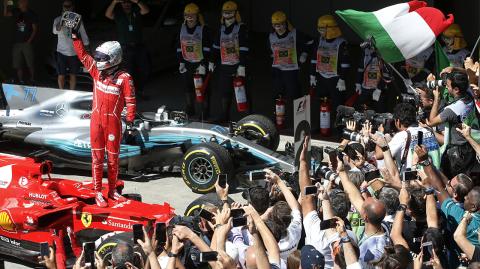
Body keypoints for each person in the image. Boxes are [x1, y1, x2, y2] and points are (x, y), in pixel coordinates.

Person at [72, 27, 136, 207]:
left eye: (101, 58)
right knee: (97, 159)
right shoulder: (96, 72)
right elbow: (83, 54)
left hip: (114, 123)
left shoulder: (124, 78)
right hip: (96, 123)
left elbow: (131, 101)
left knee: (113, 159)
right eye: (97, 57)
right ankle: (98, 191)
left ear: (113, 59)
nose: (98, 61)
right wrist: (75, 36)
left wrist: (130, 122)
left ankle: (113, 191)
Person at [428, 70, 479, 178]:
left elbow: (431, 122)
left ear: (456, 89)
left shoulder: (452, 110)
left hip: (457, 154)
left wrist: (437, 98)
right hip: (469, 147)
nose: (446, 87)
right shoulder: (469, 93)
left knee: (454, 181)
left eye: (448, 86)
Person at [269, 10, 313, 127]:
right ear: (273, 25)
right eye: (276, 25)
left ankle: (301, 121)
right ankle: (279, 121)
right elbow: (269, 50)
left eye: (281, 24)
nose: (279, 27)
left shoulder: (294, 33)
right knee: (278, 96)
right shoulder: (271, 36)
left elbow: (311, 41)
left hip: (292, 70)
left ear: (286, 23)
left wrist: (304, 54)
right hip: (277, 70)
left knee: (296, 95)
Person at [375, 103, 441, 172]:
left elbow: (379, 155)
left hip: (414, 180)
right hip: (435, 177)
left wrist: (380, 134)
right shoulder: (428, 131)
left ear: (398, 121)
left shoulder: (402, 136)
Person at [211, 1, 248, 122]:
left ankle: (248, 118)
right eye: (225, 12)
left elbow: (244, 48)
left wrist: (242, 65)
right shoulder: (221, 29)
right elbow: (216, 46)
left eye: (230, 12)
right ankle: (224, 115)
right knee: (224, 92)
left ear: (236, 13)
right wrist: (211, 61)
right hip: (224, 66)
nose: (227, 14)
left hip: (238, 66)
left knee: (243, 93)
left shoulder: (241, 28)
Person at [105, 0, 150, 98]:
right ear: (121, 4)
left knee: (143, 70)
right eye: (124, 2)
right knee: (128, 72)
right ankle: (129, 95)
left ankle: (140, 91)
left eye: (128, 2)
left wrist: (137, 1)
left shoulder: (136, 11)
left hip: (139, 46)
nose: (126, 4)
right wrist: (114, 1)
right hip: (125, 48)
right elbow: (108, 14)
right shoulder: (118, 14)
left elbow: (146, 11)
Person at [310, 14, 350, 124]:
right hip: (322, 77)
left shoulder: (341, 43)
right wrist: (312, 75)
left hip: (335, 79)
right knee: (321, 102)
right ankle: (321, 124)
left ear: (331, 28)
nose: (319, 31)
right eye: (319, 28)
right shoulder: (319, 40)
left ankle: (339, 128)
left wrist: (342, 79)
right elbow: (314, 59)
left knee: (339, 104)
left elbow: (345, 64)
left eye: (322, 28)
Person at [177, 3, 212, 119]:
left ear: (198, 16)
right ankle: (190, 108)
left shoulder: (204, 29)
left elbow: (208, 48)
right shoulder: (181, 28)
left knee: (202, 89)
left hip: (200, 63)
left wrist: (203, 64)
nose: (190, 17)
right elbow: (179, 47)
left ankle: (204, 111)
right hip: (187, 63)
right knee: (188, 87)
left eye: (192, 15)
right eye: (187, 15)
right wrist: (181, 61)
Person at [53, 0, 89, 90]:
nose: (67, 8)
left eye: (69, 6)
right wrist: (63, 19)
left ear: (72, 7)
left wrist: (87, 47)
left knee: (73, 74)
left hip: (74, 51)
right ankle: (61, 91)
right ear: (62, 7)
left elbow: (83, 33)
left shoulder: (77, 19)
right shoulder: (57, 19)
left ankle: (71, 92)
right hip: (61, 51)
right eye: (65, 6)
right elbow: (54, 31)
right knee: (61, 74)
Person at [3, 0, 38, 84]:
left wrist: (29, 41)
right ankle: (21, 80)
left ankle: (32, 79)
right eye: (18, 2)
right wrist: (5, 6)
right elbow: (5, 14)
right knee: (18, 64)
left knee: (30, 63)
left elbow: (35, 29)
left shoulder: (31, 14)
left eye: (21, 2)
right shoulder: (16, 11)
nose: (19, 3)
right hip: (16, 43)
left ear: (26, 2)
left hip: (26, 43)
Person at [355, 46, 392, 112]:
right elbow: (360, 69)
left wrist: (379, 89)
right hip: (365, 88)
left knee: (380, 111)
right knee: (360, 109)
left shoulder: (385, 53)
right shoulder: (365, 51)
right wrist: (358, 83)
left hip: (379, 89)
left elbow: (387, 75)